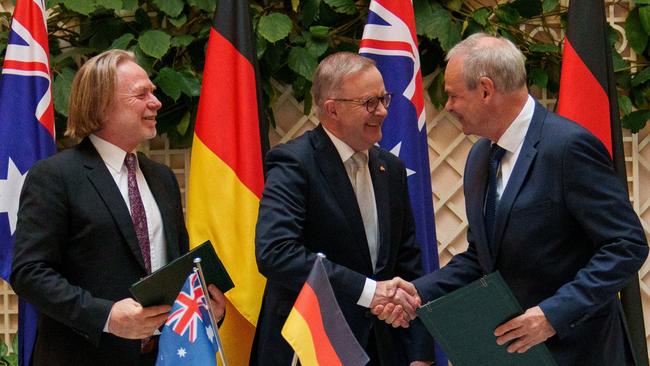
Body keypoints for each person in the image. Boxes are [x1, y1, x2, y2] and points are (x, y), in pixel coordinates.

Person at [374, 33, 649, 365]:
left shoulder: (567, 148)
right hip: (513, 354)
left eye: (453, 96)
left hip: (581, 352)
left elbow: (626, 244)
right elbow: (482, 258)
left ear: (486, 90)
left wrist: (552, 315)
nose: (447, 106)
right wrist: (419, 291)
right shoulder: (479, 156)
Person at [10, 49, 226, 366]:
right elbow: (29, 273)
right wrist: (107, 317)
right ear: (102, 105)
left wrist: (204, 306)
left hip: (164, 356)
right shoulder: (54, 176)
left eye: (153, 92)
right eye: (142, 94)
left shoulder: (162, 178)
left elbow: (175, 268)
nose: (157, 102)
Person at [251, 52, 434, 365]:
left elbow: (407, 265)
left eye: (384, 98)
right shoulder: (294, 163)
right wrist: (368, 291)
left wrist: (420, 353)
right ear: (332, 109)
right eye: (369, 103)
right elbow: (276, 253)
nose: (383, 111)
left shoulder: (391, 169)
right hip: (309, 347)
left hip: (380, 350)